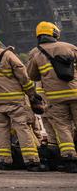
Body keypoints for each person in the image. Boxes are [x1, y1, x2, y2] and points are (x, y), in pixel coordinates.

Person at [0, 27, 47, 172]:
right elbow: (23, 75)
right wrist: (31, 93)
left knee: (1, 131)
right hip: (15, 101)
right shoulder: (6, 55)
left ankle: (4, 161)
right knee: (22, 128)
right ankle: (32, 161)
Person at [27, 21, 77, 173]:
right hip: (75, 93)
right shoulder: (70, 47)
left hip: (55, 98)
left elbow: (32, 75)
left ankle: (70, 159)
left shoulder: (35, 53)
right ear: (55, 33)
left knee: (63, 128)